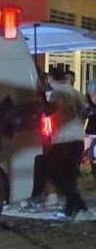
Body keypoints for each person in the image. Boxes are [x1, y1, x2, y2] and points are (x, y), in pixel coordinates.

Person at [46, 68, 89, 219]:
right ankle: (76, 205)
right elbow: (86, 108)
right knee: (69, 174)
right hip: (77, 137)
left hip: (63, 139)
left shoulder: (56, 93)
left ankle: (74, 204)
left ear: (51, 78)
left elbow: (49, 111)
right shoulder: (74, 92)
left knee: (55, 173)